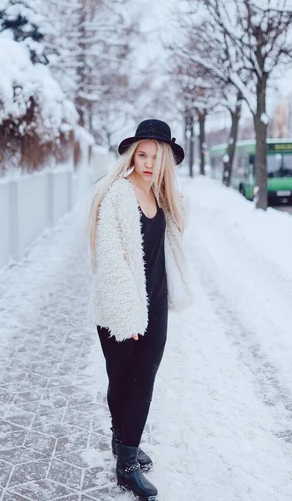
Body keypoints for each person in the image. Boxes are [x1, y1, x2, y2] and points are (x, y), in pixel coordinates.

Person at [88, 119, 192, 500]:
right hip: (122, 306)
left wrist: (181, 209)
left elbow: (171, 245)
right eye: (142, 155)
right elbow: (111, 259)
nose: (148, 163)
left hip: (156, 305)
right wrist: (126, 313)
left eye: (155, 156)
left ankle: (126, 460)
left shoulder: (162, 198)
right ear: (133, 155)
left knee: (143, 380)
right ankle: (123, 441)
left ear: (166, 160)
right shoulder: (117, 195)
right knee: (120, 381)